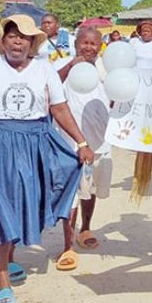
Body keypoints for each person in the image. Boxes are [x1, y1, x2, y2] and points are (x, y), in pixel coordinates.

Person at [0, 14, 94, 303]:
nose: (18, 41)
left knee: (26, 202)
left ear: (33, 43)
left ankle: (9, 261)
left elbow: (59, 108)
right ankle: (2, 285)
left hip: (35, 141)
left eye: (24, 37)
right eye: (13, 35)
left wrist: (82, 142)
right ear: (4, 39)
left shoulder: (44, 69)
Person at [52, 27, 112, 271]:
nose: (88, 47)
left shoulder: (107, 70)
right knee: (72, 195)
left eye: (93, 43)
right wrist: (70, 67)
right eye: (84, 43)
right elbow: (49, 87)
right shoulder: (65, 64)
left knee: (93, 189)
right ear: (76, 44)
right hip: (71, 143)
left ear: (100, 46)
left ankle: (86, 228)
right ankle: (68, 245)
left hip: (101, 143)